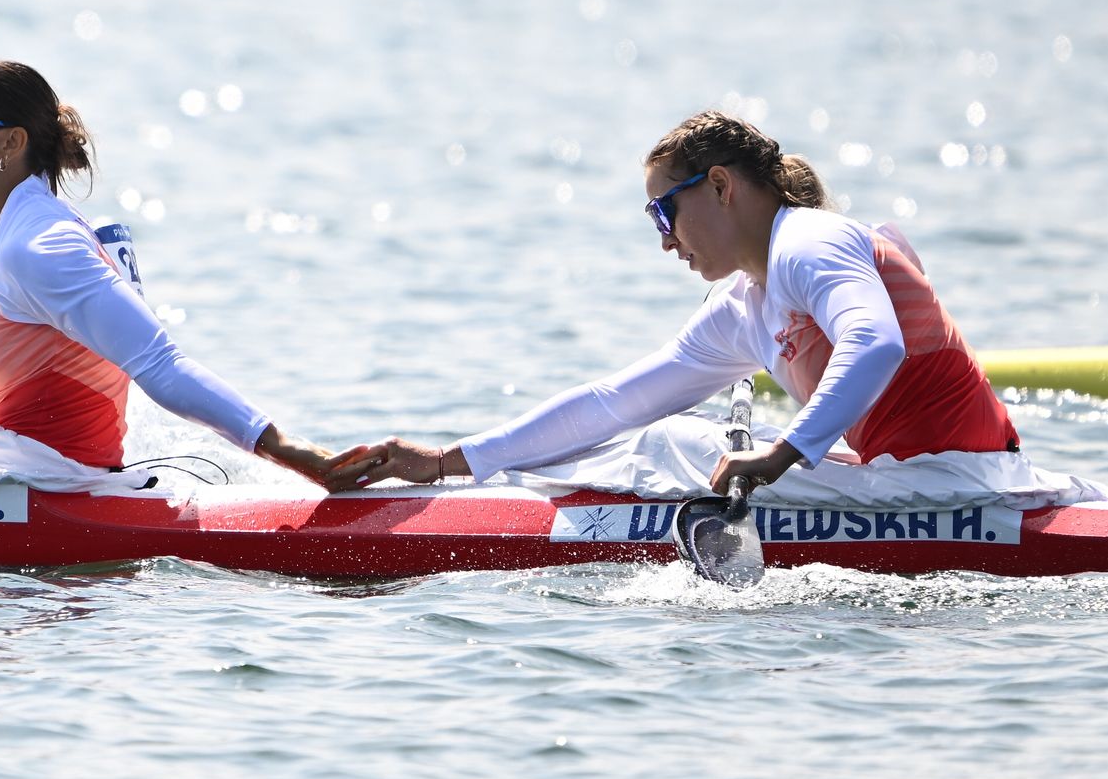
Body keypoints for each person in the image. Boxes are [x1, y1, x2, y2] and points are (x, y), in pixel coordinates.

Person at [328, 110, 1018, 493]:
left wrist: (778, 455)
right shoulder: (744, 306)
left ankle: (536, 510)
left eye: (664, 214)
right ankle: (492, 489)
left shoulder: (808, 241)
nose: (665, 243)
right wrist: (450, 460)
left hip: (965, 487)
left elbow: (876, 342)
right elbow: (612, 403)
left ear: (719, 186)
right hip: (912, 486)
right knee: (654, 435)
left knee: (670, 447)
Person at [0, 57, 333, 482]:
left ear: (11, 142)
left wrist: (298, 454)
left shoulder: (37, 247)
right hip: (39, 472)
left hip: (56, 489)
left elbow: (160, 363)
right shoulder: (29, 230)